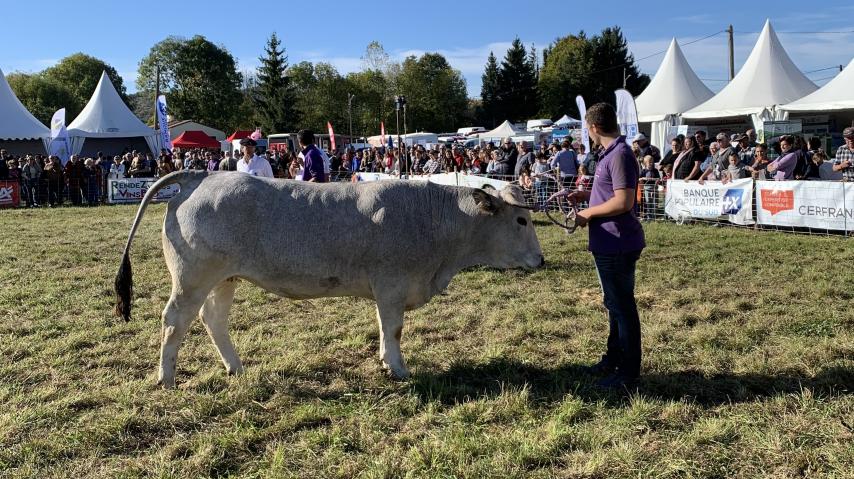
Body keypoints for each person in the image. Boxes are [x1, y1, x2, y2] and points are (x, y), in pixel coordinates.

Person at [566, 102, 645, 391]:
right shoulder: (611, 154)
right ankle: (613, 359)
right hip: (607, 242)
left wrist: (587, 213)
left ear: (595, 127)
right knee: (614, 305)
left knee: (623, 308)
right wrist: (585, 194)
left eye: (588, 129)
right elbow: (610, 193)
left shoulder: (620, 154)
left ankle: (628, 372)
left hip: (618, 243)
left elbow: (624, 201)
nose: (589, 133)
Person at [639, 155, 660, 220]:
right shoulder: (643, 171)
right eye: (649, 162)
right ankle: (649, 216)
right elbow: (639, 178)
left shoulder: (655, 170)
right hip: (647, 188)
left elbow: (658, 178)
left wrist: (657, 182)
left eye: (652, 161)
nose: (651, 163)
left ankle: (654, 216)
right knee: (648, 202)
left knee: (654, 201)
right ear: (645, 163)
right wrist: (642, 179)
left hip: (654, 187)